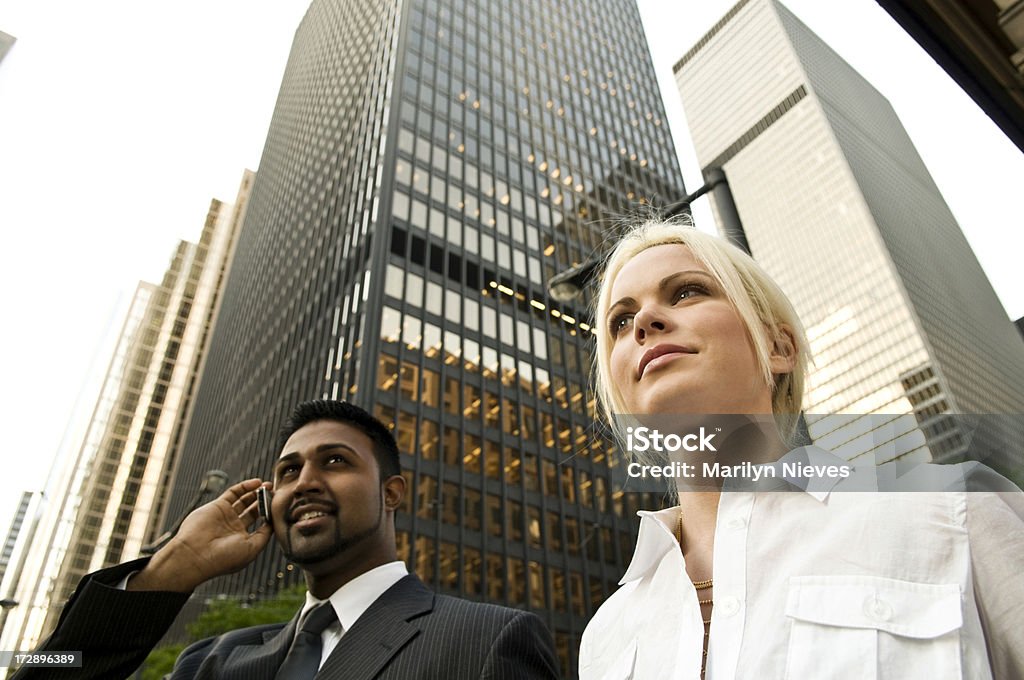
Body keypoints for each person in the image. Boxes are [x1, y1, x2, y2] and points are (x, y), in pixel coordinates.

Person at [578, 221, 1024, 679]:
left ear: (778, 348)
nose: (644, 324)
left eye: (687, 292)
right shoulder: (605, 635)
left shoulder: (954, 509)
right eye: (621, 322)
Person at [17, 399, 560, 680]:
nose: (305, 483)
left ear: (390, 493)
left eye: (335, 462)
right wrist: (176, 564)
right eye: (287, 471)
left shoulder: (488, 640)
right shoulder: (214, 661)